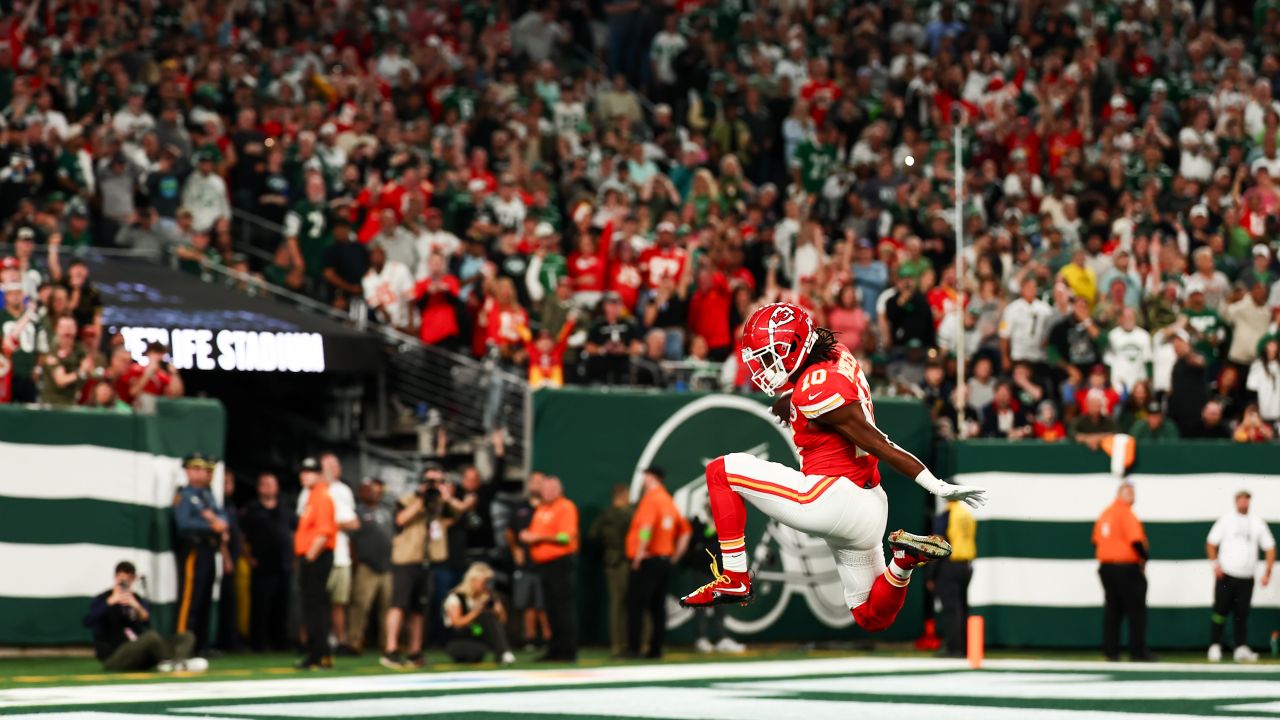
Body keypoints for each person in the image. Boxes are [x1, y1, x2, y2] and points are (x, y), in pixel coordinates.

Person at [679, 303, 986, 640]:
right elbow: (814, 387)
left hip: (830, 496)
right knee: (870, 615)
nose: (765, 369)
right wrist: (790, 400)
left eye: (769, 357)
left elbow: (878, 443)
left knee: (721, 472)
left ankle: (735, 577)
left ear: (794, 349)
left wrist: (935, 484)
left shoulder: (818, 388)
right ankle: (904, 560)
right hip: (869, 505)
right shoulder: (834, 355)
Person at [83, 561, 204, 673]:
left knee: (187, 636)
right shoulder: (104, 598)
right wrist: (110, 602)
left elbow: (147, 621)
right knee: (150, 637)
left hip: (141, 653)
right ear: (116, 578)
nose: (124, 583)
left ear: (133, 579)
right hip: (115, 656)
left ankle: (178, 662)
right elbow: (88, 621)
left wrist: (135, 606)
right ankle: (172, 662)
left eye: (128, 579)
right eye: (121, 580)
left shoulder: (136, 599)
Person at [381, 465, 445, 669]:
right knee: (398, 605)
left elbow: (459, 512)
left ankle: (414, 652)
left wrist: (444, 496)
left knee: (419, 609)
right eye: (430, 481)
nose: (434, 486)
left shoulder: (439, 504)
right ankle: (391, 649)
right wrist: (421, 499)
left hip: (425, 560)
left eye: (438, 481)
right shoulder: (406, 500)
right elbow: (400, 520)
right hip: (405, 560)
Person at [623, 467, 690, 659]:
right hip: (664, 560)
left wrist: (639, 553)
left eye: (646, 476)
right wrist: (675, 556)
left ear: (651, 478)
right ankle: (655, 649)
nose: (644, 480)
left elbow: (646, 528)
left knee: (636, 605)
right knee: (657, 607)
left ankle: (633, 648)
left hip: (649, 560)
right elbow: (685, 532)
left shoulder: (652, 499)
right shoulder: (668, 500)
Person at [1206, 490, 1276, 663]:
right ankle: (1215, 645)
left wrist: (1267, 572)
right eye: (1241, 499)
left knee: (1242, 613)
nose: (1244, 503)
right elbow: (1211, 542)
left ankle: (1240, 647)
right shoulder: (1226, 520)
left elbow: (1270, 547)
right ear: (1235, 501)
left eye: (1247, 500)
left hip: (1247, 577)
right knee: (1220, 611)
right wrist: (1215, 565)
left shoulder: (1257, 523)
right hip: (1227, 575)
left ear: (1250, 502)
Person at [520, 475, 579, 662]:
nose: (544, 492)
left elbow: (566, 538)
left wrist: (538, 537)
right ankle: (555, 648)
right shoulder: (542, 508)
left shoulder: (565, 507)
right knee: (549, 608)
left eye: (548, 489)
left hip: (560, 563)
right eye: (543, 489)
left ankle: (568, 650)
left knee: (563, 608)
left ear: (557, 490)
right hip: (543, 565)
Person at [1092, 483, 1154, 662]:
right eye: (1130, 493)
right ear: (1121, 494)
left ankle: (1111, 652)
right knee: (1136, 611)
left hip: (1107, 568)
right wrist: (1144, 558)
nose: (1133, 497)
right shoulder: (1125, 513)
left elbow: (1096, 541)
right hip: (1126, 568)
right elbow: (1135, 540)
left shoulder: (1105, 513)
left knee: (1113, 610)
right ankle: (1138, 651)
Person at [172, 452, 225, 656]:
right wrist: (211, 524)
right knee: (190, 598)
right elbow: (184, 524)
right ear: (187, 471)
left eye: (205, 469)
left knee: (204, 597)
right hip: (193, 548)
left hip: (208, 549)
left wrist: (215, 521)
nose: (203, 472)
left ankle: (201, 643)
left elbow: (223, 517)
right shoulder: (185, 495)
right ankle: (184, 643)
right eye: (197, 468)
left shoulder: (206, 495)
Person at [240, 472, 294, 652]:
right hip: (262, 565)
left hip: (283, 564)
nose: (268, 488)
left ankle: (280, 642)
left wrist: (294, 557)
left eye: (271, 484)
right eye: (264, 484)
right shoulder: (251, 509)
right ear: (258, 487)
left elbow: (294, 532)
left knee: (282, 605)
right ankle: (258, 644)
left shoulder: (285, 507)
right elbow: (240, 537)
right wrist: (249, 557)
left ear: (277, 487)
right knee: (260, 606)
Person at [294, 457, 337, 669]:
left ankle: (318, 654)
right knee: (313, 607)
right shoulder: (312, 496)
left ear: (319, 474)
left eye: (310, 472)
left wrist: (309, 558)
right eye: (303, 471)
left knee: (314, 607)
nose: (305, 475)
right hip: (313, 556)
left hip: (317, 557)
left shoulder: (321, 496)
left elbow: (324, 532)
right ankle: (318, 653)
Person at [317, 453, 360, 656]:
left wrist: (331, 523)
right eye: (328, 465)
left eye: (335, 465)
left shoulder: (342, 491)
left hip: (340, 554)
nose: (332, 469)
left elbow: (353, 522)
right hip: (317, 552)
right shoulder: (314, 490)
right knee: (316, 600)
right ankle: (312, 641)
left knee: (339, 601)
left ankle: (340, 641)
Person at [349, 478, 395, 655]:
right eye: (370, 490)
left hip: (387, 566)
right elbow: (352, 540)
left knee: (388, 607)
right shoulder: (357, 512)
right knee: (360, 606)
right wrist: (356, 561)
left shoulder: (386, 511)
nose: (374, 493)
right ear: (361, 492)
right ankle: (354, 641)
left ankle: (387, 643)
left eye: (377, 490)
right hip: (366, 565)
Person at [506, 472, 551, 651]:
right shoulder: (520, 507)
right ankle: (530, 638)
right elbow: (510, 531)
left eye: (540, 482)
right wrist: (515, 549)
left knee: (544, 603)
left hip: (544, 561)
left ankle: (548, 637)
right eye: (533, 481)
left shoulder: (549, 507)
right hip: (525, 563)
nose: (535, 485)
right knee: (527, 603)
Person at [587, 484, 633, 656]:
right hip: (628, 560)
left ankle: (617, 643)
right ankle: (633, 642)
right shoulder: (630, 514)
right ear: (623, 495)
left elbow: (593, 536)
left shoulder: (605, 515)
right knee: (630, 604)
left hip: (611, 561)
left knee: (616, 605)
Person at [441, 562, 516, 665]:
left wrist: (498, 610)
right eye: (484, 581)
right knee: (475, 652)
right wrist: (476, 612)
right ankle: (502, 652)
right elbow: (457, 623)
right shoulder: (456, 597)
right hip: (457, 638)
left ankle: (503, 652)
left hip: (477, 634)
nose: (486, 585)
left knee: (487, 619)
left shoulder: (486, 597)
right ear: (473, 580)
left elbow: (501, 622)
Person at [930, 498, 977, 658]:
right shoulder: (966, 514)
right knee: (962, 607)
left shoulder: (947, 514)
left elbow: (938, 544)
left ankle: (953, 648)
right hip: (966, 565)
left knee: (951, 609)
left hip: (949, 565)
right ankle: (966, 648)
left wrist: (931, 573)